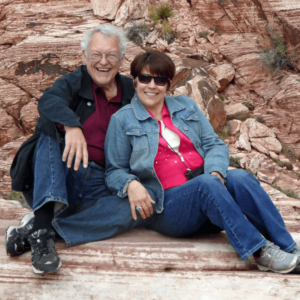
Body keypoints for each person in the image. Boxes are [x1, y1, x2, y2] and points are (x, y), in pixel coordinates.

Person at [103, 50, 300, 274]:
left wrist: (216, 172)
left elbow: (214, 144)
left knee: (240, 177)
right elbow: (114, 171)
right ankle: (260, 253)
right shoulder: (122, 120)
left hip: (211, 198)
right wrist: (131, 184)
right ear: (135, 81)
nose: (152, 85)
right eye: (145, 78)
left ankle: (289, 248)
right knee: (206, 185)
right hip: (169, 208)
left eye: (159, 80)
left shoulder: (185, 105)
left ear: (168, 84)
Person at [5, 24, 135, 275]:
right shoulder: (74, 82)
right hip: (65, 175)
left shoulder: (130, 90)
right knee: (48, 132)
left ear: (121, 58)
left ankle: (41, 227)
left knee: (138, 207)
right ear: (85, 55)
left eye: (111, 55)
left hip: (104, 184)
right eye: (96, 54)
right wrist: (72, 126)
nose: (103, 62)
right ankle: (43, 235)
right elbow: (49, 100)